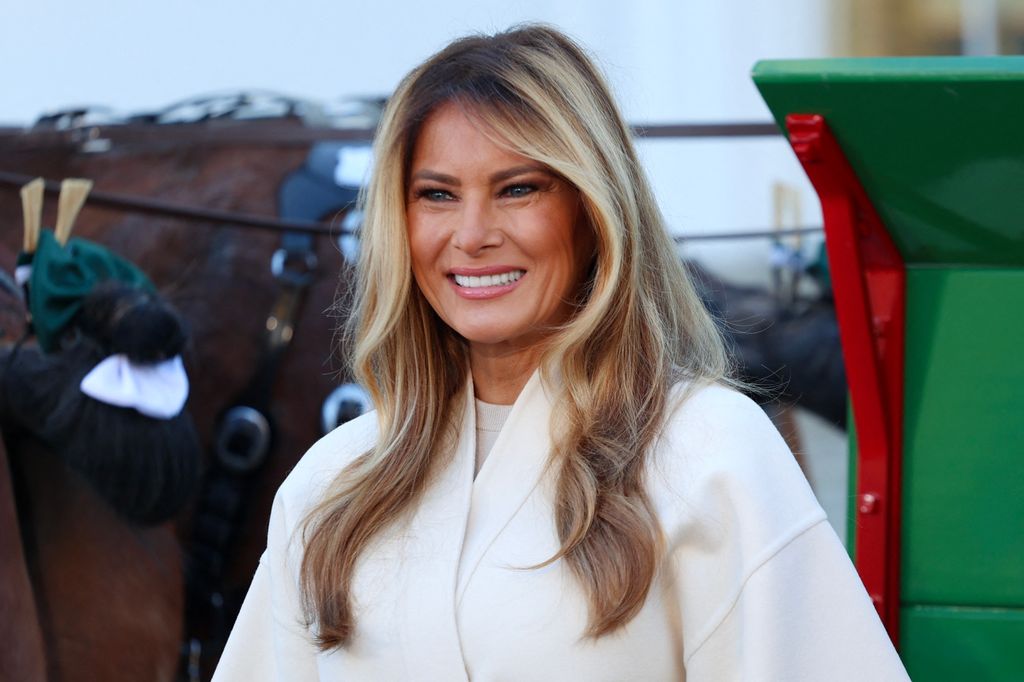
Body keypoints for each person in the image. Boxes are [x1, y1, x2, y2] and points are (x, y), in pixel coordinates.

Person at [213, 25, 909, 681]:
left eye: (518, 189)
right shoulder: (332, 483)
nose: (473, 233)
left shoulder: (710, 452)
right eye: (437, 195)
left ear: (593, 207)